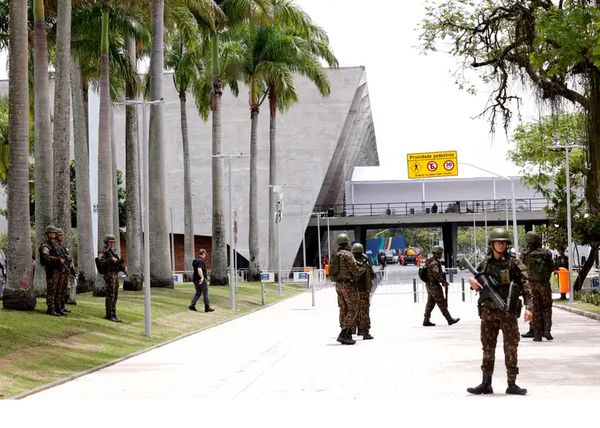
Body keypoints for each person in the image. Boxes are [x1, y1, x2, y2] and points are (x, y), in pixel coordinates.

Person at [467, 227, 534, 396]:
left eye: (504, 242)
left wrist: (529, 307)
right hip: (488, 312)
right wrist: (472, 283)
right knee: (487, 347)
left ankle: (512, 384)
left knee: (511, 347)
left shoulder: (514, 263)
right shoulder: (485, 263)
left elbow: (526, 286)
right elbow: (476, 281)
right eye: (498, 242)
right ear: (492, 244)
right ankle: (485, 383)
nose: (501, 244)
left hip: (508, 312)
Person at [520, 231, 555, 341]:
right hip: (544, 284)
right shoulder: (546, 253)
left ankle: (537, 334)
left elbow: (520, 269)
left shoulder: (524, 254)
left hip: (531, 284)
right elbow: (552, 267)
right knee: (547, 308)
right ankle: (547, 330)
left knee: (535, 308)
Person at [330, 233, 365, 345]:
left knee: (343, 309)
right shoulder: (348, 255)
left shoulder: (336, 255)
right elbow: (356, 271)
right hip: (348, 285)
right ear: (347, 242)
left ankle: (347, 333)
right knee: (353, 309)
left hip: (338, 285)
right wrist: (362, 268)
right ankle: (344, 333)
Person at [423, 246, 459, 327]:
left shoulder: (429, 261)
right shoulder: (434, 263)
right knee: (441, 303)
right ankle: (449, 319)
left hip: (429, 285)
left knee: (430, 303)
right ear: (436, 254)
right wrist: (443, 282)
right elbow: (436, 274)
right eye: (440, 253)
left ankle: (426, 320)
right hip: (434, 286)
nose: (441, 255)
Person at [98, 234, 127, 322]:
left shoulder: (112, 252)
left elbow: (117, 263)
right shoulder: (103, 251)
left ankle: (113, 313)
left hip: (114, 274)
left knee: (115, 294)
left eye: (113, 242)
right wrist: (111, 260)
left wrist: (122, 267)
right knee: (110, 294)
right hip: (109, 274)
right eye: (110, 242)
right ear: (106, 242)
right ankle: (109, 314)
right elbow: (101, 262)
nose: (112, 244)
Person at [38, 225, 64, 316]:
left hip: (58, 270)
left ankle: (58, 308)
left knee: (57, 290)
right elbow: (45, 256)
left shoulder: (56, 245)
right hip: (51, 270)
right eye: (50, 233)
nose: (52, 234)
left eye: (54, 233)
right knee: (51, 290)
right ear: (47, 234)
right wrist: (57, 259)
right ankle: (50, 308)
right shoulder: (46, 245)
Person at [351, 243, 375, 340]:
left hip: (353, 290)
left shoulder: (351, 261)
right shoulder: (366, 261)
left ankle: (352, 330)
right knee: (364, 311)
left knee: (353, 310)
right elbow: (372, 274)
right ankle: (364, 331)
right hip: (364, 291)